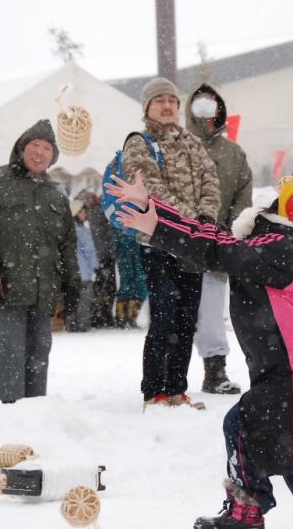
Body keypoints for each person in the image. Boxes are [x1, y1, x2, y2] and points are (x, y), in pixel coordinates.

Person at [107, 171, 293, 528]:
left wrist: (157, 227)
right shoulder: (283, 243)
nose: (273, 193)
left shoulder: (278, 247)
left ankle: (246, 513)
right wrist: (155, 209)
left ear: (292, 207)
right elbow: (217, 239)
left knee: (244, 424)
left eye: (283, 192)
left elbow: (215, 250)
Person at [0, 119, 80, 404]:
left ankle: (35, 409)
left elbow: (67, 244)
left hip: (45, 286)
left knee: (40, 349)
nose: (39, 152)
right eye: (34, 145)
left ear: (53, 157)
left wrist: (73, 284)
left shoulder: (57, 195)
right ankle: (9, 409)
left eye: (46, 149)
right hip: (7, 282)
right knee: (12, 349)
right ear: (21, 148)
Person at [123, 77, 220, 408]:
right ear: (148, 107)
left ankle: (177, 388)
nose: (167, 106)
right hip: (159, 240)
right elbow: (147, 186)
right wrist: (188, 220)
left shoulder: (193, 142)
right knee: (164, 315)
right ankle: (155, 391)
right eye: (159, 101)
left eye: (172, 101)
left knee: (187, 318)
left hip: (192, 245)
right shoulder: (140, 142)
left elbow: (211, 180)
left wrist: (206, 218)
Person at [186, 84, 253, 395]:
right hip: (178, 241)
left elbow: (242, 196)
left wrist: (228, 233)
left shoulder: (233, 153)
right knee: (175, 312)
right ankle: (167, 378)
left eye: (210, 104)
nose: (205, 109)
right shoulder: (178, 145)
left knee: (212, 311)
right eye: (199, 103)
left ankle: (215, 370)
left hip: (216, 243)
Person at [75, 189, 117, 329]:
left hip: (92, 263)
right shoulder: (96, 216)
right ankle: (95, 319)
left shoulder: (79, 226)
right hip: (98, 261)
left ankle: (93, 318)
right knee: (97, 292)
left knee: (90, 293)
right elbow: (90, 248)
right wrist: (96, 264)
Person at [68, 198, 98, 333]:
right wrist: (95, 267)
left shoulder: (68, 229)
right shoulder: (81, 230)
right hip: (84, 272)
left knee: (73, 299)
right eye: (83, 211)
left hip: (72, 271)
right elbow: (89, 251)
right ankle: (82, 325)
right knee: (85, 300)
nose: (85, 214)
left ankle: (72, 324)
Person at [114, 230, 147, 329]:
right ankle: (122, 318)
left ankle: (131, 317)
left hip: (138, 242)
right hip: (126, 241)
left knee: (141, 286)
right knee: (126, 282)